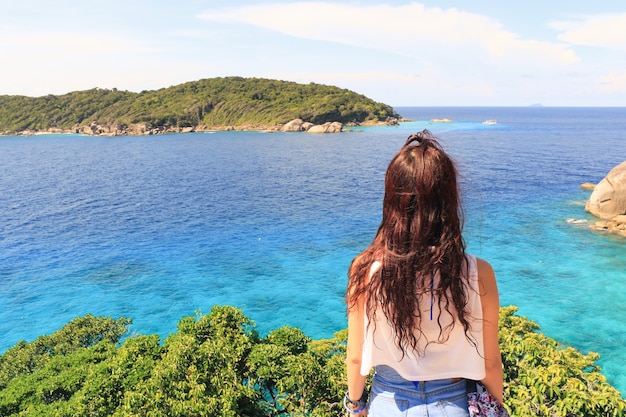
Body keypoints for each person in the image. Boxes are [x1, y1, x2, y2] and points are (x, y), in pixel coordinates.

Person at [344, 130, 504, 417]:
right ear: (448, 201)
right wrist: (497, 408)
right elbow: (490, 363)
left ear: (393, 200)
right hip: (454, 404)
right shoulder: (479, 272)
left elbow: (356, 358)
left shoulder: (366, 270)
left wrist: (355, 406)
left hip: (389, 403)